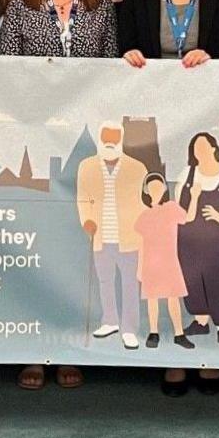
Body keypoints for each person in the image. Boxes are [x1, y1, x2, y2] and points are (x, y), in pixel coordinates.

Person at [0, 0, 114, 390]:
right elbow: (5, 78)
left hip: (82, 152)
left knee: (75, 250)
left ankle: (69, 343)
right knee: (37, 248)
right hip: (36, 147)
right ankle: (32, 347)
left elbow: (111, 79)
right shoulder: (20, 10)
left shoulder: (102, 10)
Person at [167, 132, 219, 396]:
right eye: (196, 147)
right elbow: (179, 206)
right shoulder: (187, 176)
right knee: (192, 280)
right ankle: (200, 321)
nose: (200, 151)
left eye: (205, 146)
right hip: (190, 240)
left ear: (215, 148)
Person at [75, 122, 148, 351]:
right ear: (99, 138)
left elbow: (145, 202)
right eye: (105, 137)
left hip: (129, 238)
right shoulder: (86, 167)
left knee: (129, 284)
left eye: (114, 138)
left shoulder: (137, 168)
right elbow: (82, 197)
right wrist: (86, 220)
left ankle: (129, 329)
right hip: (99, 237)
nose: (109, 142)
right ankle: (109, 321)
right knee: (105, 281)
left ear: (121, 140)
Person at [131, 173, 195, 351]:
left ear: (164, 189)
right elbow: (142, 243)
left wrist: (195, 197)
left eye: (159, 187)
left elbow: (188, 218)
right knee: (152, 299)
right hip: (151, 262)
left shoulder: (171, 208)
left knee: (173, 298)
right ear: (146, 191)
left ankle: (179, 334)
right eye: (152, 188)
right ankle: (154, 332)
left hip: (169, 261)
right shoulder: (144, 216)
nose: (156, 191)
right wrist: (140, 266)